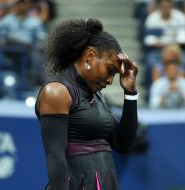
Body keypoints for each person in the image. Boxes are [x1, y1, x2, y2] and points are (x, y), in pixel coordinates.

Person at [35, 18, 139, 190]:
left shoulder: (97, 95)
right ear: (91, 56)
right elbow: (55, 156)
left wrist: (130, 94)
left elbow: (124, 145)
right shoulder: (57, 91)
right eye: (110, 70)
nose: (111, 80)